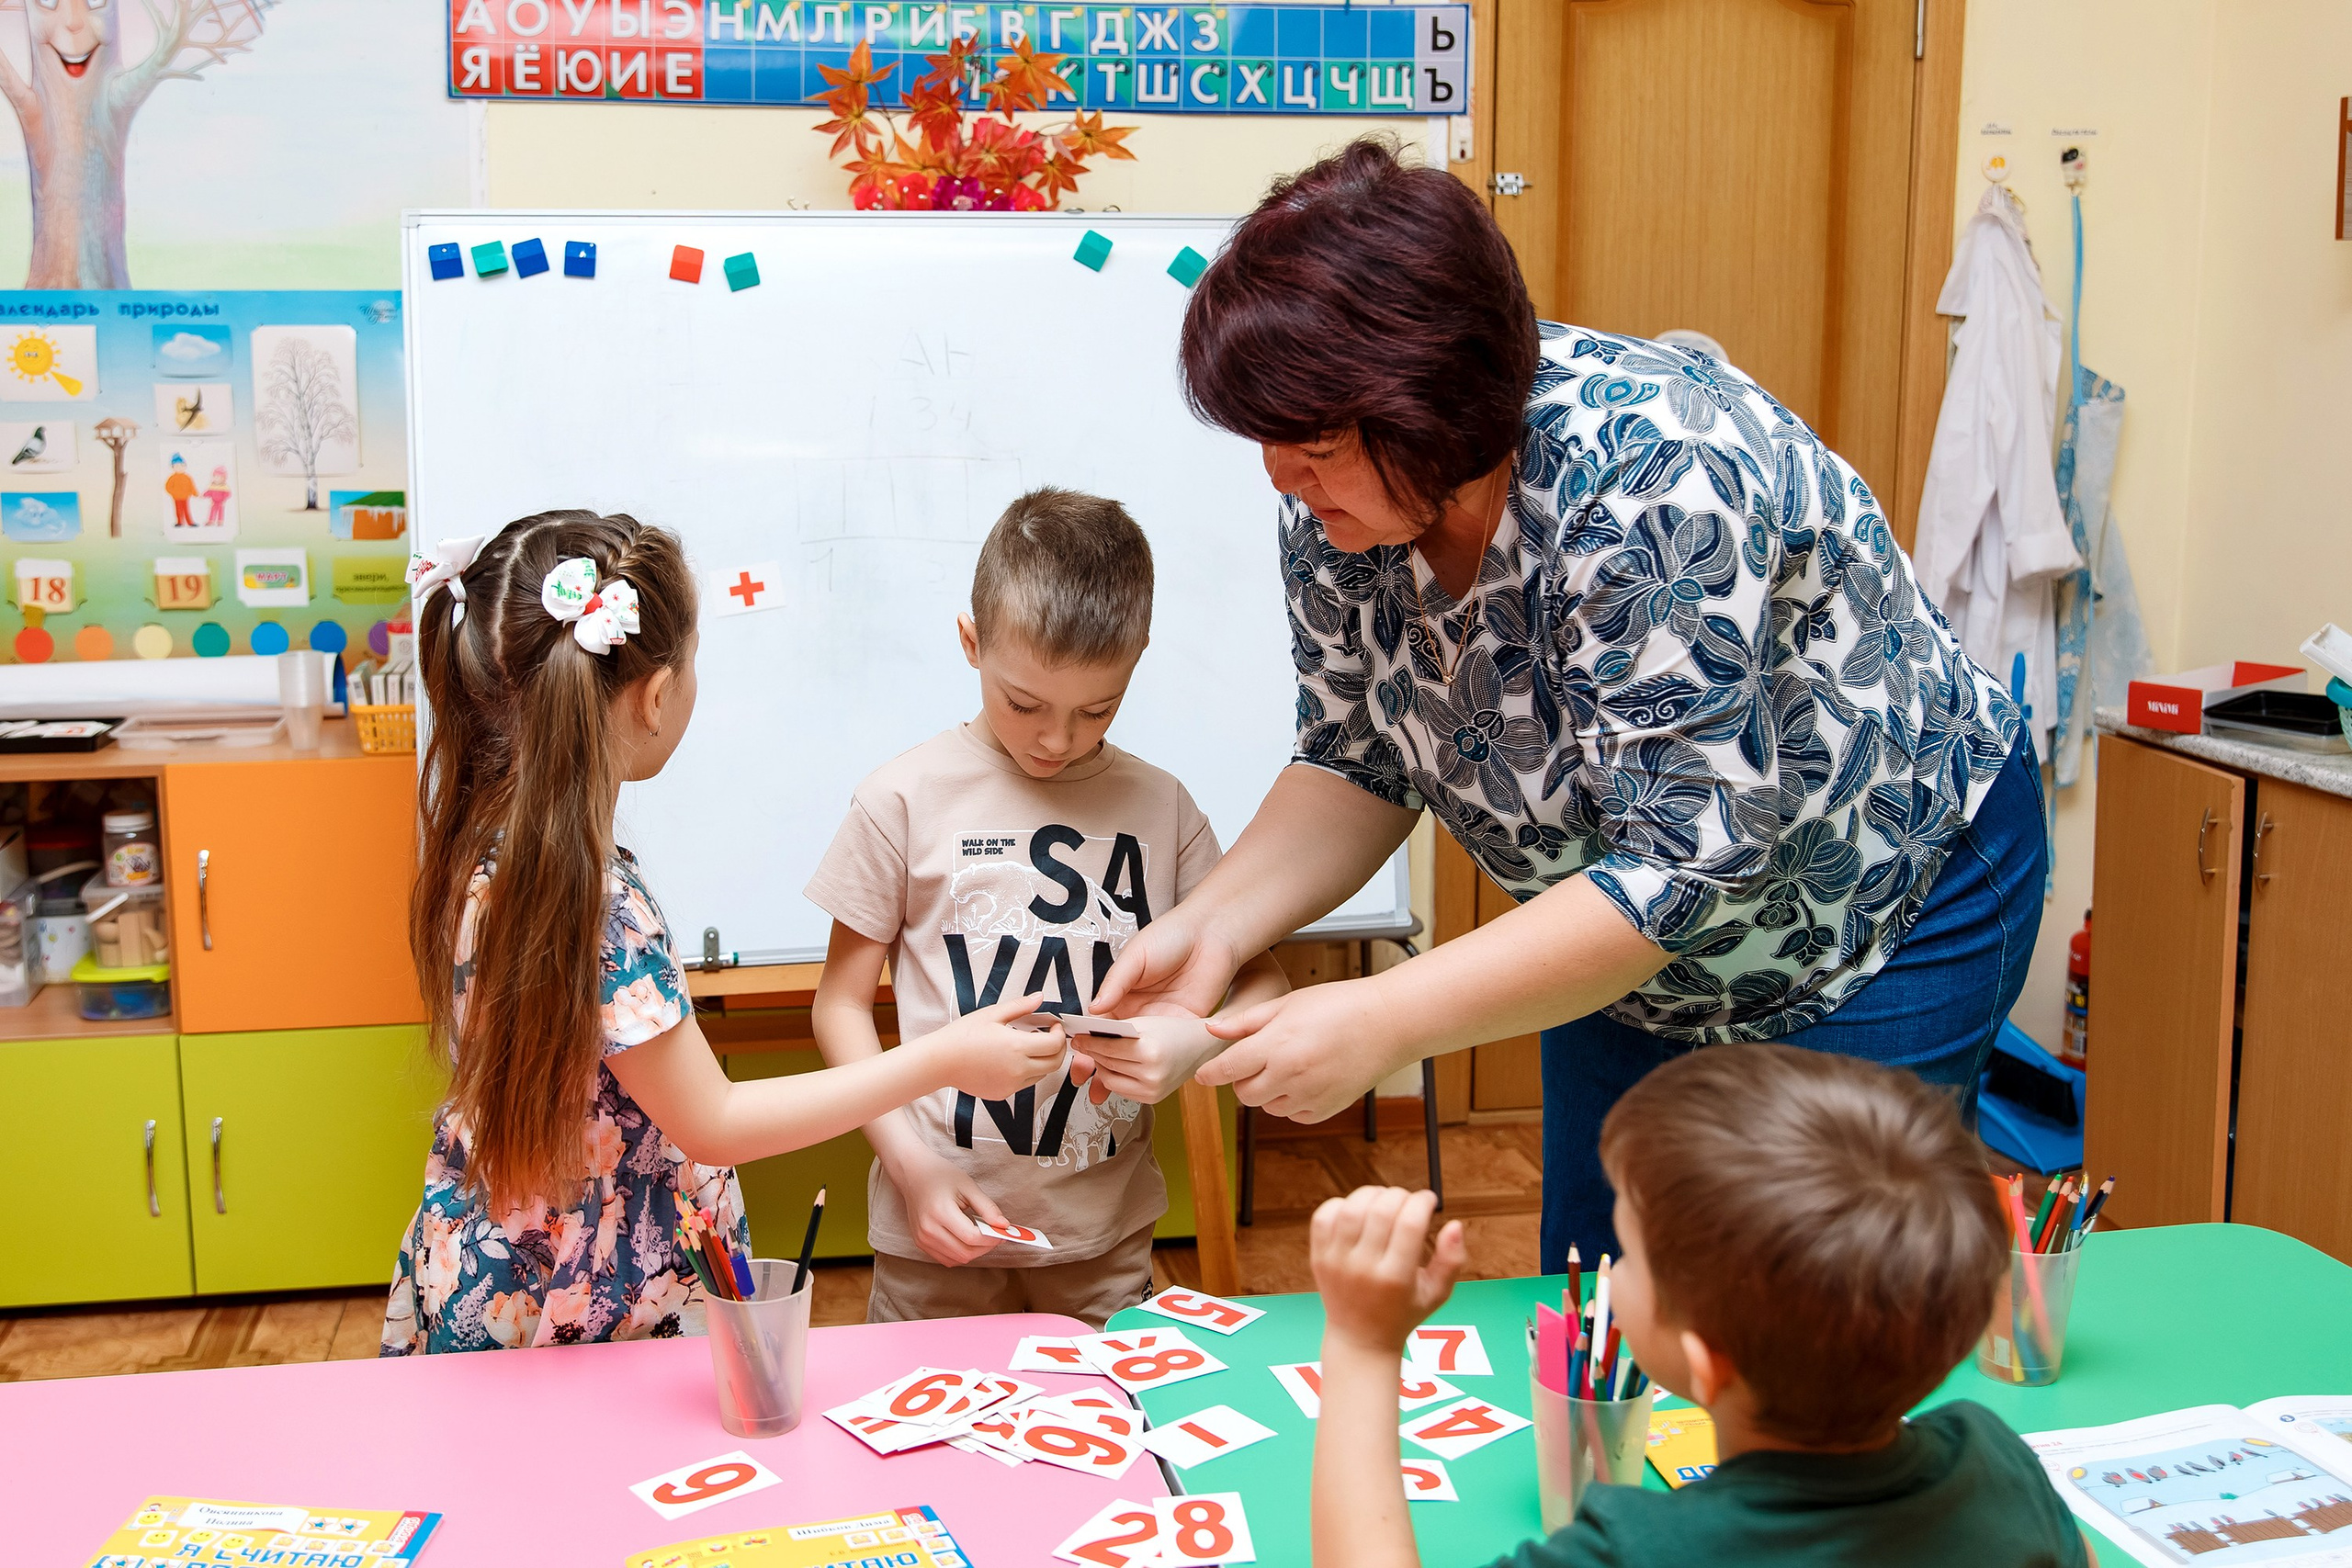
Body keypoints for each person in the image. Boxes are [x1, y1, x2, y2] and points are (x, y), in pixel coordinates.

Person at [1088, 136, 2044, 1270]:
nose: (1279, 480)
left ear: (1430, 408)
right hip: (1620, 932)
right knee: (1602, 1298)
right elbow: (1357, 758)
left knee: (1802, 1304)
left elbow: (1678, 868)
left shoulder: (1652, 481)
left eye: (1313, 449)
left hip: (1877, 900)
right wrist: (1211, 929)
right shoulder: (1342, 509)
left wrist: (1381, 1021)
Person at [381, 512, 1069, 1353]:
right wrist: (943, 1057)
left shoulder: (484, 854)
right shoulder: (598, 904)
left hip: (489, 1273)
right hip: (587, 1302)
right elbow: (716, 1118)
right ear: (658, 694)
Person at [1306, 1043, 2096, 1568]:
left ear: (1705, 1361)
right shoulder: (1995, 1460)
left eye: (1631, 1256)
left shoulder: (1634, 1548)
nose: (1613, 1270)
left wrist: (1364, 1346)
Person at [805, 488, 1290, 1328]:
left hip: (1102, 1243)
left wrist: (1191, 1045)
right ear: (971, 642)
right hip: (937, 1235)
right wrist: (913, 1170)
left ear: (1136, 659)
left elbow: (1262, 984)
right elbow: (840, 1005)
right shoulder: (901, 799)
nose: (1057, 739)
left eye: (1096, 709)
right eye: (1024, 703)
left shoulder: (1164, 807)